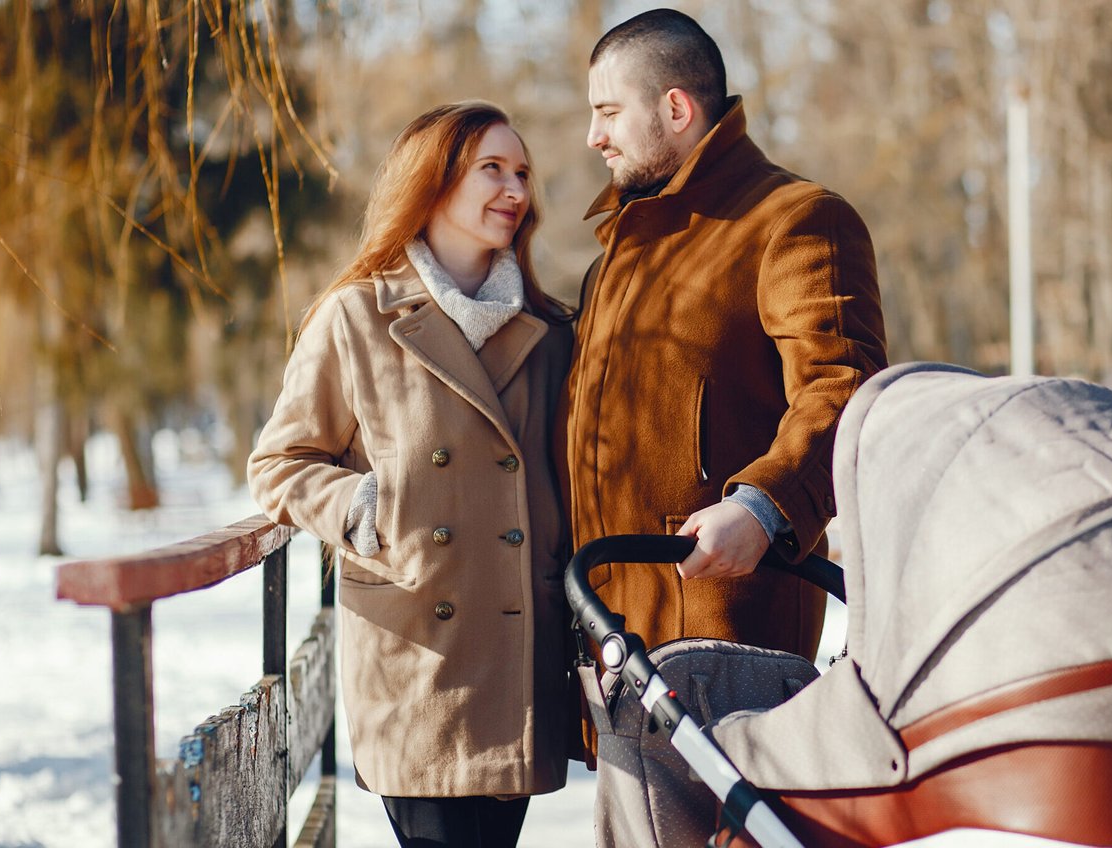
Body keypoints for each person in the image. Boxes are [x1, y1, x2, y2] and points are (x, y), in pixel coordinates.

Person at [246, 101, 573, 848]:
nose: (514, 189)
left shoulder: (551, 333)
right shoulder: (355, 317)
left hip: (518, 654)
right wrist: (365, 508)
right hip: (418, 656)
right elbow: (279, 463)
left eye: (521, 172)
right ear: (432, 183)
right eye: (491, 168)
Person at [560, 9, 888, 662]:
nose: (593, 136)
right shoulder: (610, 264)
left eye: (608, 111)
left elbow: (844, 388)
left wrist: (765, 510)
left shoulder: (794, 221)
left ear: (675, 109)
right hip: (613, 643)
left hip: (732, 635)